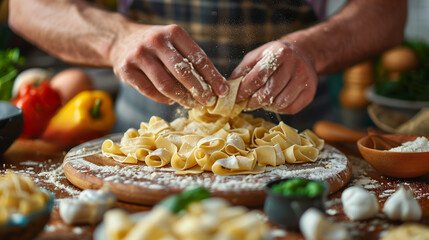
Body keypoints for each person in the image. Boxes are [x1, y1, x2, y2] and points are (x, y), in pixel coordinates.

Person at [8, 0, 407, 132]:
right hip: (146, 148)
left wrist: (313, 48)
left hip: (295, 149)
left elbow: (389, 12)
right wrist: (115, 38)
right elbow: (27, 7)